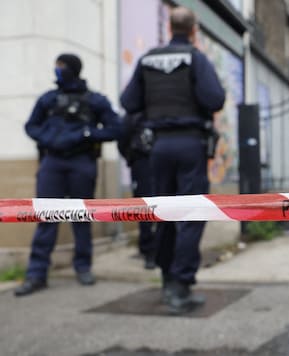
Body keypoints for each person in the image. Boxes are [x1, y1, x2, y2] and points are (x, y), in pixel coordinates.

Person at [120, 6, 225, 314]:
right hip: (190, 145)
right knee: (191, 214)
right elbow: (215, 99)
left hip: (158, 148)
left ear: (169, 29)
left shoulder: (148, 59)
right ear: (193, 31)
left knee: (163, 213)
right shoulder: (196, 58)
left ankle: (167, 279)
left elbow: (128, 103)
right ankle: (180, 286)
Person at [15, 53, 122, 297]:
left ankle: (83, 267)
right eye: (57, 66)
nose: (58, 70)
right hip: (52, 162)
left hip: (82, 162)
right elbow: (31, 126)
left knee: (81, 217)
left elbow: (116, 129)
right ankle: (36, 273)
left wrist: (87, 134)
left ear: (73, 68)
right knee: (46, 217)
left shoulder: (95, 100)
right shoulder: (49, 99)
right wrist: (49, 138)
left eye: (62, 66)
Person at [117, 112, 157, 269]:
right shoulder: (137, 113)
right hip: (143, 163)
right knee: (145, 208)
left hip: (162, 161)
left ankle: (163, 249)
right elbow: (122, 136)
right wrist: (132, 157)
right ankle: (149, 251)